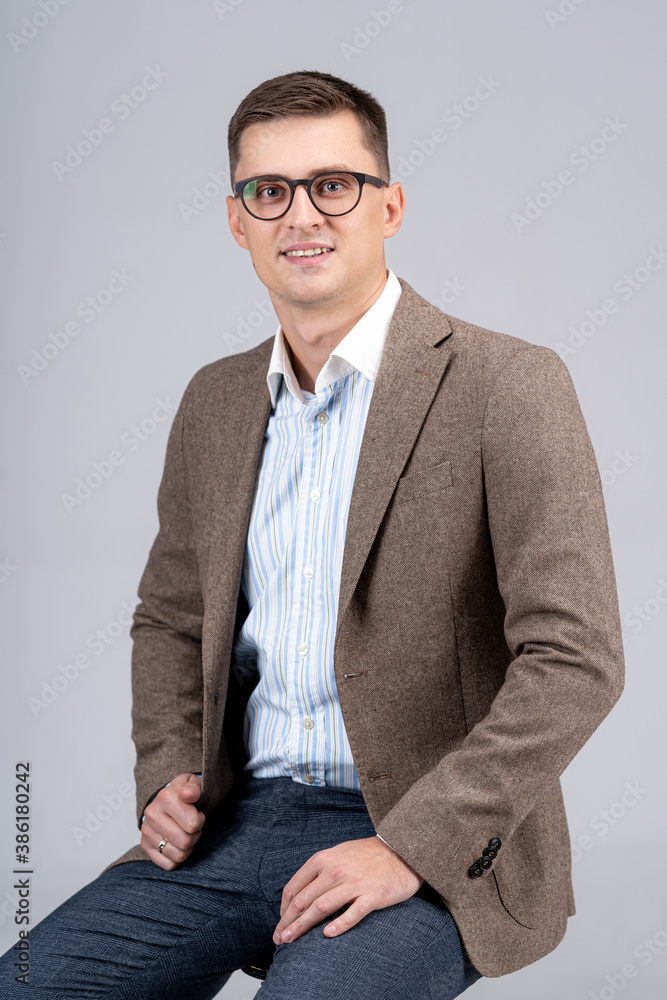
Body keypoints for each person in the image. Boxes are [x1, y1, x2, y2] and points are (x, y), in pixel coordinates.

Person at [1, 69, 625, 998]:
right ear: (237, 220)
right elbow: (169, 618)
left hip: (414, 830)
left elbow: (576, 658)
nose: (303, 215)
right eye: (270, 191)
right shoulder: (214, 401)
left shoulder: (510, 386)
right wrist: (167, 771)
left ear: (391, 205)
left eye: (334, 185)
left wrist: (411, 846)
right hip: (233, 823)